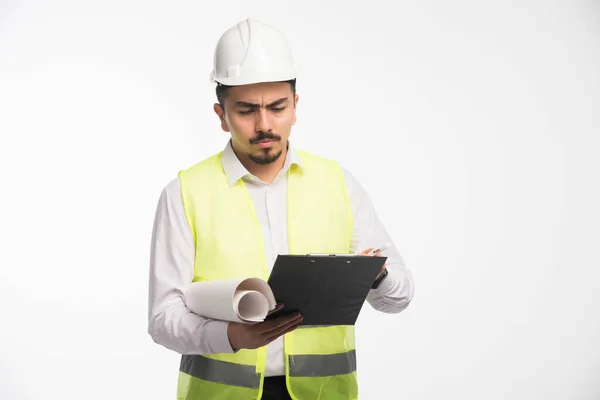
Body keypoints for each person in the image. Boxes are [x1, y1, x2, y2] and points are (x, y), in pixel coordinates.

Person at [148, 18, 415, 400]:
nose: (264, 124)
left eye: (277, 107)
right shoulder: (184, 193)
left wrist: (377, 275)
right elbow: (162, 319)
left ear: (295, 107)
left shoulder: (338, 183)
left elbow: (399, 297)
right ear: (220, 115)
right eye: (246, 111)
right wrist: (231, 336)